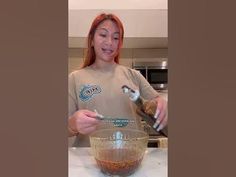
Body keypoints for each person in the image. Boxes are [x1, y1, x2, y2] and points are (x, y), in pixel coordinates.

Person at [68, 13, 168, 147]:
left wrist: (162, 105)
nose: (109, 42)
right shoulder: (75, 78)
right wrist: (73, 124)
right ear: (91, 40)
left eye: (116, 37)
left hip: (131, 158)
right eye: (103, 35)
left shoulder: (134, 76)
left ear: (120, 43)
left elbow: (156, 105)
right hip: (89, 161)